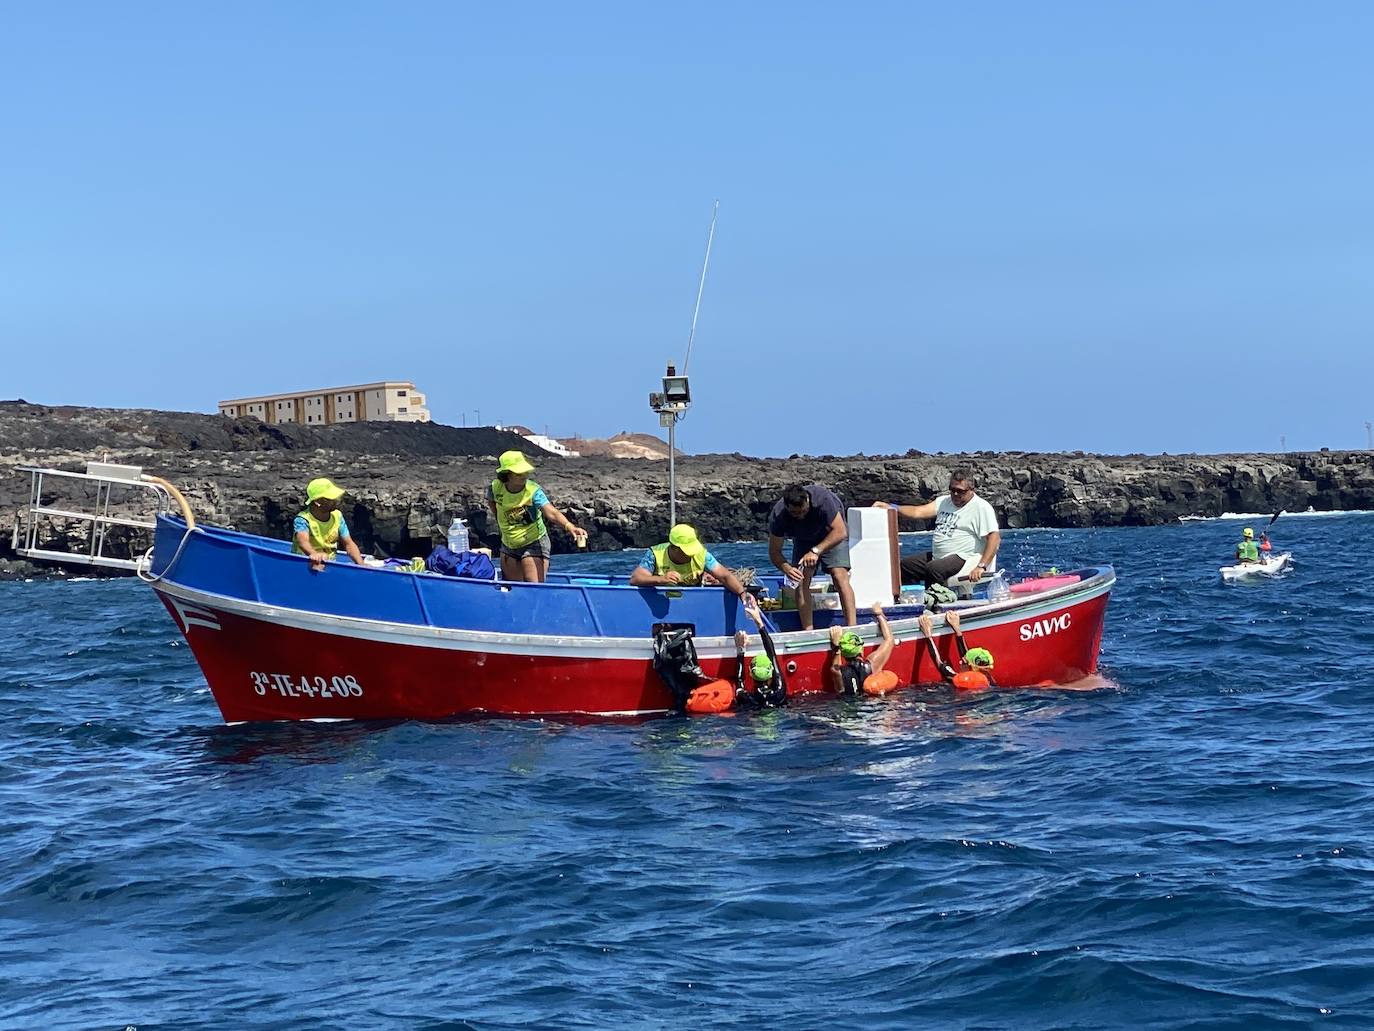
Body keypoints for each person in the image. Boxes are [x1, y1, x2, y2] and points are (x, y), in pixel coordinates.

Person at [874, 470, 1000, 589]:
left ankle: (935, 599)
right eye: (952, 490)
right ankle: (912, 598)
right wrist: (892, 507)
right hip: (939, 557)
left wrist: (981, 566)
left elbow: (994, 539)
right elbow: (918, 511)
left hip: (964, 557)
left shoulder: (981, 507)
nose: (955, 494)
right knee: (906, 566)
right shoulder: (944, 501)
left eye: (960, 491)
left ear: (971, 490)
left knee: (933, 568)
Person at [486, 450, 586, 583]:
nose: (524, 476)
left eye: (525, 471)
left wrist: (570, 527)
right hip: (508, 544)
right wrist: (501, 522)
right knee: (512, 587)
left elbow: (551, 512)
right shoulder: (495, 488)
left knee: (533, 586)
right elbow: (492, 502)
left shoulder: (533, 491)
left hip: (534, 542)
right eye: (519, 473)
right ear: (507, 474)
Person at [767, 483, 858, 629]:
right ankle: (808, 630)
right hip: (803, 538)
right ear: (787, 507)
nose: (800, 516)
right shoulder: (779, 516)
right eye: (795, 513)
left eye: (803, 511)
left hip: (831, 533)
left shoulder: (823, 500)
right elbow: (774, 552)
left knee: (839, 575)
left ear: (808, 501)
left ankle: (853, 628)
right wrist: (787, 569)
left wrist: (816, 551)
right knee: (801, 580)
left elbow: (840, 532)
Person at [629, 524, 749, 602]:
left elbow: (725, 576)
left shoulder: (701, 554)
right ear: (674, 548)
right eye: (686, 552)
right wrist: (661, 579)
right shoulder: (655, 554)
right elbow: (635, 579)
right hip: (660, 604)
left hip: (692, 604)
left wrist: (742, 593)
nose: (691, 555)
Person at [292, 477, 366, 573]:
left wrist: (361, 564)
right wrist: (314, 554)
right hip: (304, 563)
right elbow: (303, 542)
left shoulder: (337, 516)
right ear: (317, 502)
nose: (336, 500)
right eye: (331, 499)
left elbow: (348, 544)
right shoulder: (303, 519)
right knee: (316, 565)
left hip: (330, 563)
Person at [826, 603, 899, 696]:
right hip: (870, 702)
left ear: (843, 653)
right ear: (861, 650)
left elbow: (836, 656)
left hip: (847, 703)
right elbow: (889, 640)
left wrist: (835, 644)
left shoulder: (837, 672)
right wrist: (879, 614)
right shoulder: (872, 665)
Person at [918, 611, 996, 690]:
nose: (960, 662)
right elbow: (967, 659)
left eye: (963, 661)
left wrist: (928, 635)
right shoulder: (988, 680)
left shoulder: (963, 681)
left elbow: (940, 664)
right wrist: (957, 629)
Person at [732, 596, 787, 707]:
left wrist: (740, 650)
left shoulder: (746, 698)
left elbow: (739, 681)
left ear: (751, 674)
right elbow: (772, 654)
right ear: (771, 675)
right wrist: (759, 623)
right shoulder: (780, 693)